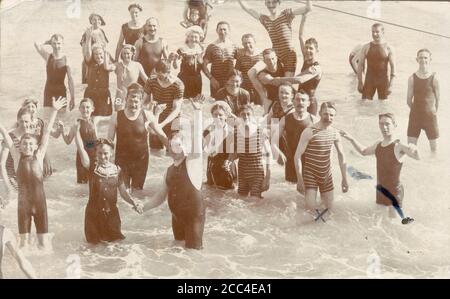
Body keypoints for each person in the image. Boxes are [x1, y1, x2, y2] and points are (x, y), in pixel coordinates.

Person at [0, 96, 66, 250]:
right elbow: (5, 133)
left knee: (44, 244)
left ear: (36, 146)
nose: (27, 146)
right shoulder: (17, 157)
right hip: (23, 207)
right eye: (24, 144)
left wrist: (55, 110)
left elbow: (47, 131)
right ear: (20, 146)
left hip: (40, 205)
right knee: (24, 243)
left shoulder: (39, 154)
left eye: (30, 144)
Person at [143, 96, 206, 249]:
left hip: (193, 217)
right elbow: (160, 197)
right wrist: (143, 207)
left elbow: (197, 139)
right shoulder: (169, 170)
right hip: (176, 216)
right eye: (173, 145)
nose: (177, 147)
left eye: (181, 144)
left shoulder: (192, 163)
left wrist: (198, 111)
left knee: (193, 253)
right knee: (176, 249)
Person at [340, 113, 419, 222]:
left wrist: (415, 149)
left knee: (394, 225)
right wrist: (351, 139)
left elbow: (416, 156)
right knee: (378, 225)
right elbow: (364, 151)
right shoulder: (378, 144)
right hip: (381, 190)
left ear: (395, 125)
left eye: (387, 124)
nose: (384, 127)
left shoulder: (399, 145)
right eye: (381, 124)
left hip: (395, 192)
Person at [75, 134, 144, 245]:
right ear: (96, 154)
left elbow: (123, 193)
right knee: (94, 248)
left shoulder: (117, 170)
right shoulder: (92, 167)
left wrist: (134, 202)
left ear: (111, 153)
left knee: (116, 247)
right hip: (93, 217)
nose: (103, 157)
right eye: (100, 153)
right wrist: (76, 132)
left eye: (106, 153)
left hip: (112, 215)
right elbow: (81, 149)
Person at [294, 102, 348, 222]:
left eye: (332, 115)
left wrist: (344, 178)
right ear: (319, 114)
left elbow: (341, 155)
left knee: (328, 211)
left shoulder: (334, 133)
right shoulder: (309, 131)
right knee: (311, 212)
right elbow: (297, 156)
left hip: (326, 175)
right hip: (310, 175)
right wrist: (299, 179)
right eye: (326, 114)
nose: (329, 118)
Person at [108, 83, 166, 192]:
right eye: (130, 101)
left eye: (136, 102)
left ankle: (136, 209)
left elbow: (160, 134)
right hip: (122, 160)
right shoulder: (116, 116)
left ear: (141, 102)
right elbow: (109, 142)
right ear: (126, 99)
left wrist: (174, 151)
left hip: (141, 161)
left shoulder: (147, 115)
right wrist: (106, 161)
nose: (133, 104)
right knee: (123, 192)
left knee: (138, 192)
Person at [238, 0, 312, 77]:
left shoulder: (286, 14)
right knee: (254, 74)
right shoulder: (265, 19)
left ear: (279, 3)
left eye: (274, 2)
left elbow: (308, 8)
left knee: (286, 84)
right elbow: (247, 8)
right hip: (274, 56)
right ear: (265, 4)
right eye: (268, 2)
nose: (271, 5)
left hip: (289, 55)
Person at [271, 89, 317, 183]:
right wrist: (277, 151)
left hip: (309, 162)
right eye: (298, 99)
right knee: (290, 193)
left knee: (308, 190)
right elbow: (274, 140)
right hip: (291, 162)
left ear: (308, 103)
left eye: (303, 100)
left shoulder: (314, 120)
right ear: (293, 101)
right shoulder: (285, 119)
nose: (300, 102)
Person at [229, 105, 272, 199]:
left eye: (248, 114)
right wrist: (229, 161)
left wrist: (268, 177)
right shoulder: (236, 133)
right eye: (243, 114)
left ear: (253, 116)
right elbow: (236, 153)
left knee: (254, 202)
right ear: (239, 117)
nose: (246, 116)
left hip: (256, 173)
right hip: (242, 173)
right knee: (241, 200)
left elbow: (269, 154)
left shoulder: (260, 131)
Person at [144, 60, 185, 150]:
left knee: (173, 150)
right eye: (157, 74)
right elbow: (144, 102)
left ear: (169, 72)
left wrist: (162, 124)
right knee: (155, 150)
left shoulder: (178, 85)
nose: (158, 77)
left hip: (173, 121)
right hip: (156, 117)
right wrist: (149, 107)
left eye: (161, 75)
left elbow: (176, 109)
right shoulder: (151, 81)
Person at [58, 98, 99, 184]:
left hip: (95, 155)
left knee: (95, 182)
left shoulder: (94, 122)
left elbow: (96, 140)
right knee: (82, 184)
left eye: (88, 107)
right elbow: (68, 141)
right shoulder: (77, 124)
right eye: (83, 107)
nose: (85, 110)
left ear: (92, 109)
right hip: (81, 156)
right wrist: (62, 130)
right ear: (79, 109)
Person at [407, 48, 440, 153]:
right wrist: (417, 111)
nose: (423, 60)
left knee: (434, 150)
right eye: (420, 57)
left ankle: (433, 168)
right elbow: (408, 100)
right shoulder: (412, 78)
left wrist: (430, 112)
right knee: (411, 149)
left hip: (430, 117)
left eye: (425, 57)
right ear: (417, 59)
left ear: (430, 59)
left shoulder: (435, 78)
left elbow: (438, 100)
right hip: (415, 117)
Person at [34, 34, 75, 112]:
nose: (56, 46)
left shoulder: (67, 59)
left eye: (59, 43)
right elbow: (36, 43)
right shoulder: (48, 56)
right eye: (54, 43)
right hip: (49, 91)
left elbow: (70, 80)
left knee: (61, 118)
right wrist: (48, 41)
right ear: (51, 44)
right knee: (47, 117)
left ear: (63, 44)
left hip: (60, 92)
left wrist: (72, 98)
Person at [357, 23, 396, 101]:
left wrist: (391, 85)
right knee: (364, 105)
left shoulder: (389, 48)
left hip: (383, 81)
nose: (374, 34)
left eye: (377, 32)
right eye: (373, 32)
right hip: (369, 81)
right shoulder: (366, 47)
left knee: (383, 106)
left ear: (383, 32)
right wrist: (360, 82)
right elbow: (360, 65)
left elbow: (393, 68)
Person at [203, 101, 236, 190]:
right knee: (210, 192)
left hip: (226, 170)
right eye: (215, 115)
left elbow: (237, 153)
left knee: (227, 194)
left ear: (226, 116)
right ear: (212, 116)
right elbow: (206, 151)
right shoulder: (207, 131)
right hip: (211, 168)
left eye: (220, 115)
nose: (218, 117)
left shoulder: (232, 132)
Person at [203, 21, 238, 98]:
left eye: (225, 29)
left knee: (231, 102)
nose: (222, 32)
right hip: (216, 80)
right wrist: (211, 79)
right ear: (217, 31)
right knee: (217, 104)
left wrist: (236, 76)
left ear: (229, 30)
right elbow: (204, 65)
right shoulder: (211, 46)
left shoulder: (234, 46)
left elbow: (240, 62)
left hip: (230, 80)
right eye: (220, 29)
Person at [83, 41, 115, 117]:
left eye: (100, 54)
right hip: (90, 92)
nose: (98, 56)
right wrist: (88, 38)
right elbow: (87, 52)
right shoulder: (90, 63)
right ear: (93, 56)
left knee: (104, 116)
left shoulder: (108, 64)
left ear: (104, 54)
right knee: (89, 116)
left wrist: (106, 56)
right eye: (96, 54)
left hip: (103, 94)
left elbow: (110, 68)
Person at [172, 26, 205, 99]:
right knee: (183, 99)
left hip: (197, 80)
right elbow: (175, 67)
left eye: (196, 37)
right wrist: (174, 60)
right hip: (184, 79)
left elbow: (203, 65)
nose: (193, 39)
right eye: (191, 37)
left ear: (200, 38)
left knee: (196, 100)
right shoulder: (182, 49)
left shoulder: (201, 49)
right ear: (188, 37)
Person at [134, 17, 169, 85]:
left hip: (157, 76)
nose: (152, 28)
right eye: (149, 26)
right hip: (142, 77)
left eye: (154, 26)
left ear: (158, 27)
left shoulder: (162, 42)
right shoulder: (139, 42)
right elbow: (134, 63)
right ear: (146, 27)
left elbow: (167, 62)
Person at [80, 13, 109, 84]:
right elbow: (84, 51)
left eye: (99, 19)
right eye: (94, 20)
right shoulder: (87, 33)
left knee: (103, 82)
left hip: (101, 60)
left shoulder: (101, 31)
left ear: (101, 21)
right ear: (91, 21)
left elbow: (105, 47)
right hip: (91, 61)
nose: (97, 21)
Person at [235, 34, 263, 104]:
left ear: (254, 42)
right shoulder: (241, 57)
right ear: (242, 44)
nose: (247, 45)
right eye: (245, 43)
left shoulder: (262, 55)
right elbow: (236, 72)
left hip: (259, 87)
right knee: (245, 107)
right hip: (245, 87)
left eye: (249, 42)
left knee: (260, 108)